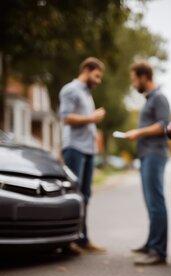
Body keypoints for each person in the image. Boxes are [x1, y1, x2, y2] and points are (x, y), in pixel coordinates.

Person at [59, 57, 106, 253]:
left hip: (87, 150)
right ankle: (66, 241)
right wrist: (91, 118)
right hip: (74, 148)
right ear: (87, 70)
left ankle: (82, 239)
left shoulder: (87, 93)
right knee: (73, 195)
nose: (98, 81)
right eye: (96, 76)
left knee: (85, 195)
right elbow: (66, 118)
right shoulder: (70, 90)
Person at [125, 61, 170, 265]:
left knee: (156, 203)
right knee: (150, 203)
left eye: (135, 80)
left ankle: (158, 251)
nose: (134, 84)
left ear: (144, 77)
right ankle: (151, 243)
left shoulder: (159, 98)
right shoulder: (150, 99)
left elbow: (163, 126)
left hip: (155, 154)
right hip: (145, 154)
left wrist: (138, 132)